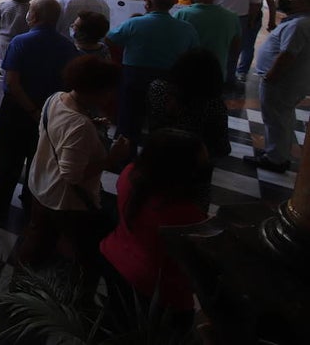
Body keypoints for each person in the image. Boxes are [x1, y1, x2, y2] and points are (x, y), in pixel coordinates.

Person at [17, 56, 129, 288]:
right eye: (109, 91)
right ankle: (72, 301)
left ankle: (17, 286)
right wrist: (110, 160)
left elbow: (53, 131)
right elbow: (72, 176)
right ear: (96, 90)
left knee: (35, 236)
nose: (111, 96)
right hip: (65, 201)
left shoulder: (56, 99)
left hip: (40, 183)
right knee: (81, 254)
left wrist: (91, 122)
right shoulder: (80, 125)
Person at [0, 0, 79, 218]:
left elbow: (13, 83)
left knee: (8, 158)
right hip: (50, 111)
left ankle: (0, 202)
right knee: (39, 157)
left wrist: (32, 110)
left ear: (33, 16)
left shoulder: (21, 41)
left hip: (18, 111)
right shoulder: (68, 47)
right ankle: (29, 198)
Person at [100, 130, 210, 327]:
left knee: (119, 318)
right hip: (156, 286)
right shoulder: (183, 213)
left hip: (116, 259)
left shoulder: (130, 175)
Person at [105, 0, 200, 149]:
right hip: (169, 79)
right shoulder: (187, 28)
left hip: (134, 77)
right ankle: (157, 157)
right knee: (162, 121)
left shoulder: (134, 23)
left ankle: (124, 157)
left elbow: (110, 40)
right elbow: (194, 53)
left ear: (148, 4)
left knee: (129, 118)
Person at [243, 0, 310, 173]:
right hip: (289, 81)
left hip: (282, 81)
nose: (284, 0)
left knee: (276, 120)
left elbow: (288, 54)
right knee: (282, 118)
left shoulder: (298, 25)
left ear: (303, 3)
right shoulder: (300, 22)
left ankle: (275, 159)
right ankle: (279, 153)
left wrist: (272, 76)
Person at [146, 48, 230, 158]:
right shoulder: (214, 105)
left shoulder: (157, 89)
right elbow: (222, 147)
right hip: (193, 164)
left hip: (157, 156)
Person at [173, 0, 240, 83]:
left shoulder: (183, 14)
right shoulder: (232, 17)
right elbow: (236, 46)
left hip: (187, 68)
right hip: (217, 69)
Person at [212, 0, 262, 81]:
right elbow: (255, 4)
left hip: (219, 18)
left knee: (217, 46)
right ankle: (230, 77)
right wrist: (251, 20)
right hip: (241, 19)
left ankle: (214, 76)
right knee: (235, 49)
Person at [0, 0, 36, 115]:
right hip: (22, 47)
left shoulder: (4, 5)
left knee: (2, 76)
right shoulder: (31, 9)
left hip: (3, 45)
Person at [235, 0, 277, 81]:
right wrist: (271, 21)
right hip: (256, 17)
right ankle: (242, 71)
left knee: (234, 42)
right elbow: (271, 5)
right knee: (249, 45)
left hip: (240, 14)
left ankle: (230, 67)